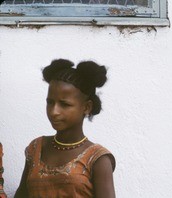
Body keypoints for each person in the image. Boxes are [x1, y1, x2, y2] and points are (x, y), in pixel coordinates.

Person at [15, 59, 116, 198]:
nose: (54, 111)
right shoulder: (35, 148)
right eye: (50, 102)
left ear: (87, 107)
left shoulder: (98, 159)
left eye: (64, 104)